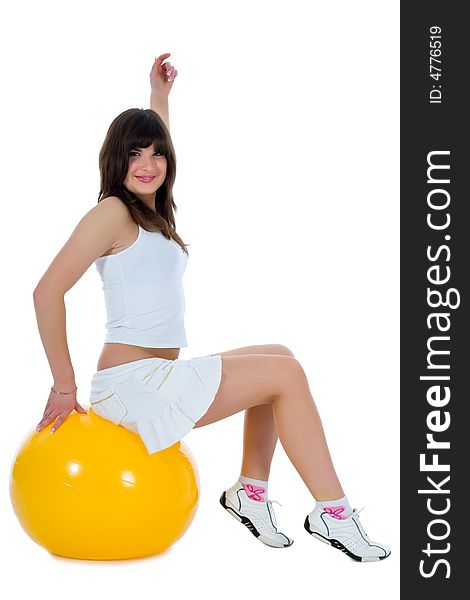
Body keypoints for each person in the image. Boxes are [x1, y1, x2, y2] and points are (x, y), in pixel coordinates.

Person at [33, 52, 390, 562]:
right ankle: (332, 511)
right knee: (285, 376)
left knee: (280, 354)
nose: (148, 164)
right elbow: (46, 291)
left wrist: (160, 98)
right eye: (135, 154)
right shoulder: (111, 212)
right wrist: (63, 385)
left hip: (155, 376)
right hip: (132, 389)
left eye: (157, 154)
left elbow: (158, 159)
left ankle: (250, 492)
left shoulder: (153, 215)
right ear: (116, 160)